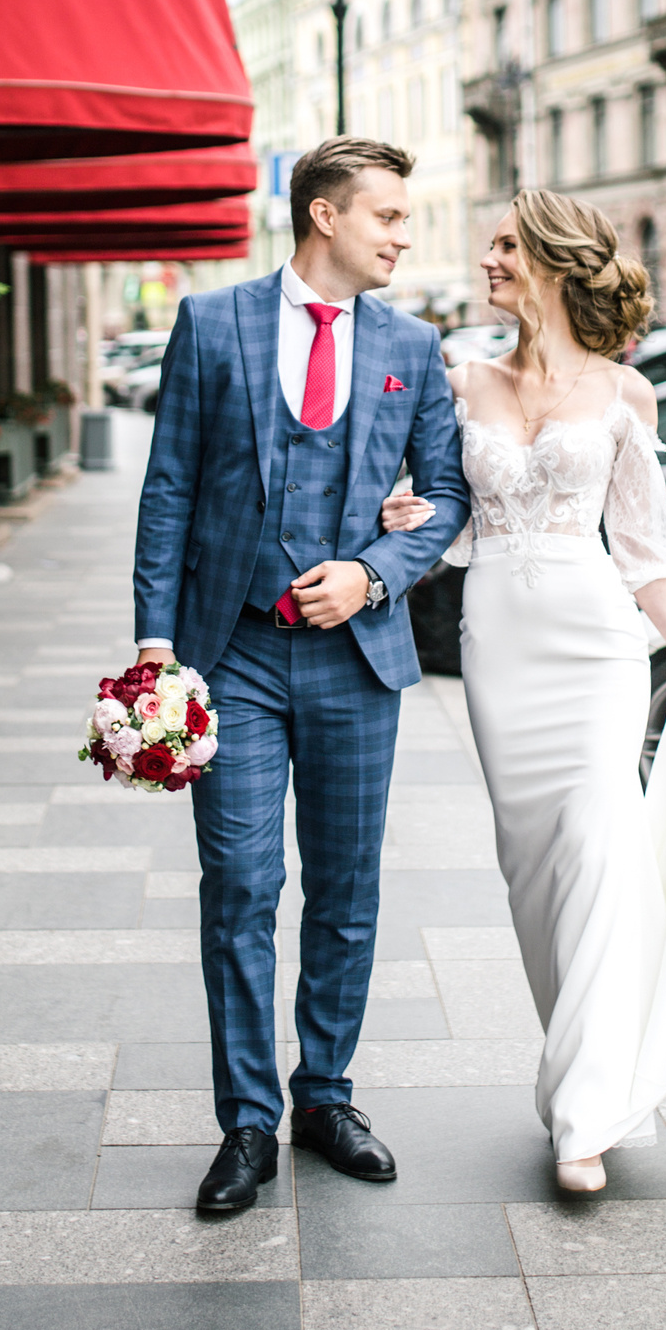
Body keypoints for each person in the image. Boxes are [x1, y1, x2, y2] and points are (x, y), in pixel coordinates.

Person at [382, 188, 666, 1194]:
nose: (488, 259)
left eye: (506, 245)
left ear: (552, 260)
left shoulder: (627, 393)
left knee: (597, 848)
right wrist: (406, 512)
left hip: (594, 647)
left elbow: (640, 550)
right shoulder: (459, 381)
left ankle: (584, 1115)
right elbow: (451, 521)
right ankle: (584, 1064)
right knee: (535, 871)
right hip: (499, 645)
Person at [132, 138, 469, 1217]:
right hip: (231, 651)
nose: (403, 234)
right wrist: (154, 643)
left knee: (346, 886)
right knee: (239, 885)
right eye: (387, 215)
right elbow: (169, 488)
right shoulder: (211, 322)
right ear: (325, 215)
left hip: (355, 660)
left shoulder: (412, 345)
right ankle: (246, 1120)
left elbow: (449, 496)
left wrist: (374, 573)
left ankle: (324, 1096)